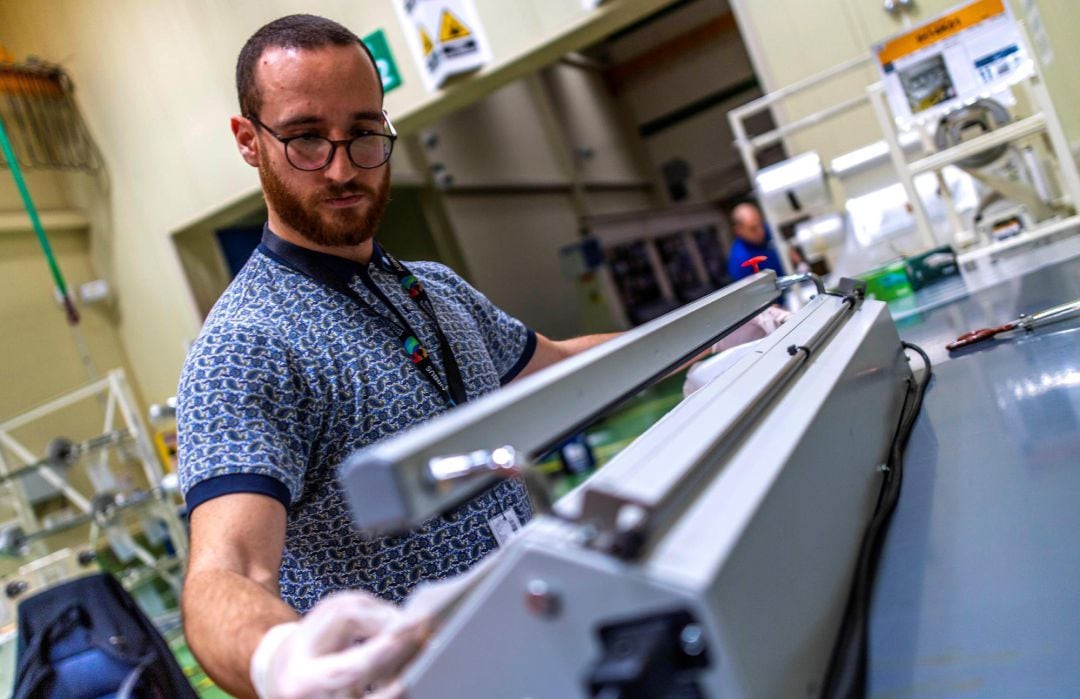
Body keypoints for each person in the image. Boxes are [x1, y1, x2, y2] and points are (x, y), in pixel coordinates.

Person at [177, 15, 617, 698]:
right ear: (248, 141)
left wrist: (715, 332)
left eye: (362, 132)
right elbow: (225, 570)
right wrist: (278, 657)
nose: (342, 166)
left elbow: (559, 364)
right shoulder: (247, 344)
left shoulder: (436, 288)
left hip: (548, 641)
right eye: (304, 138)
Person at [725, 201, 799, 282]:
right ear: (738, 230)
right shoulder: (740, 263)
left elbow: (789, 249)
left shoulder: (768, 230)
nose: (761, 231)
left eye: (760, 223)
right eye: (753, 228)